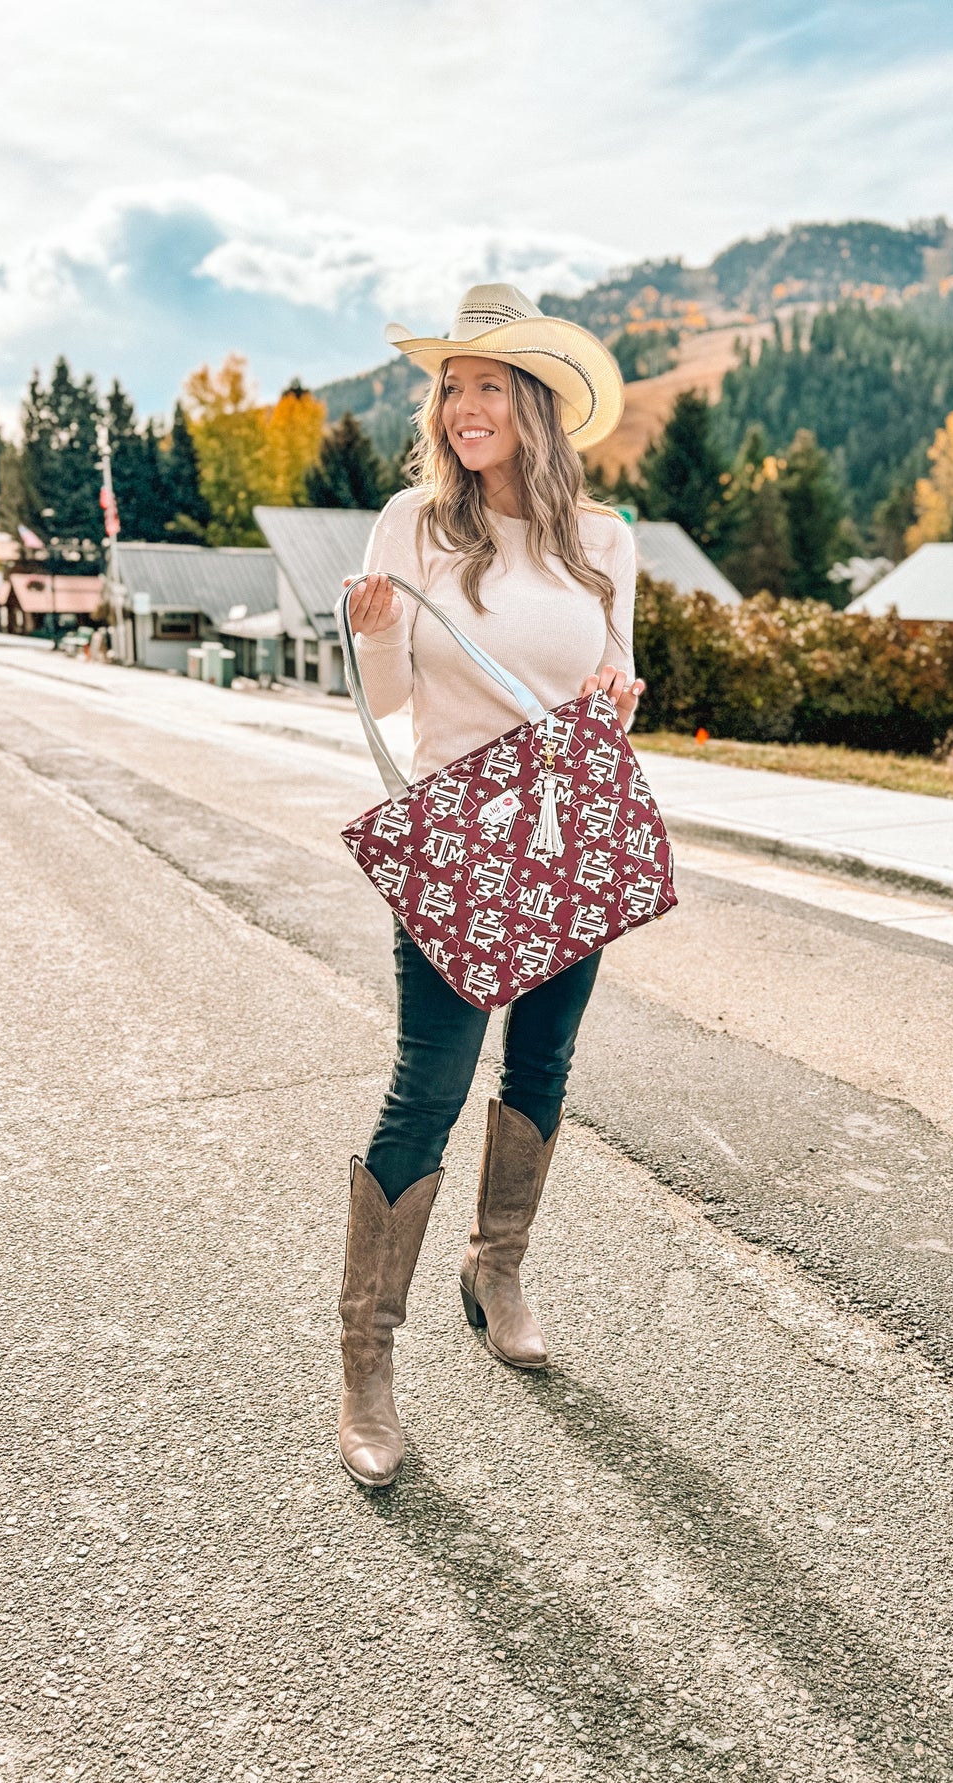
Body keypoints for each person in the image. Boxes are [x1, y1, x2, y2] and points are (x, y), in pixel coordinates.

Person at [334, 283, 642, 1488]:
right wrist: (367, 630)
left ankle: (495, 1264)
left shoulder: (603, 539)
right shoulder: (412, 522)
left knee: (544, 1066)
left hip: (569, 830)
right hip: (460, 836)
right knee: (429, 1085)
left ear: (537, 403)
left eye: (486, 385)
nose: (464, 406)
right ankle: (366, 1354)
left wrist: (618, 700)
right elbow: (396, 701)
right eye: (451, 386)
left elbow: (616, 678)